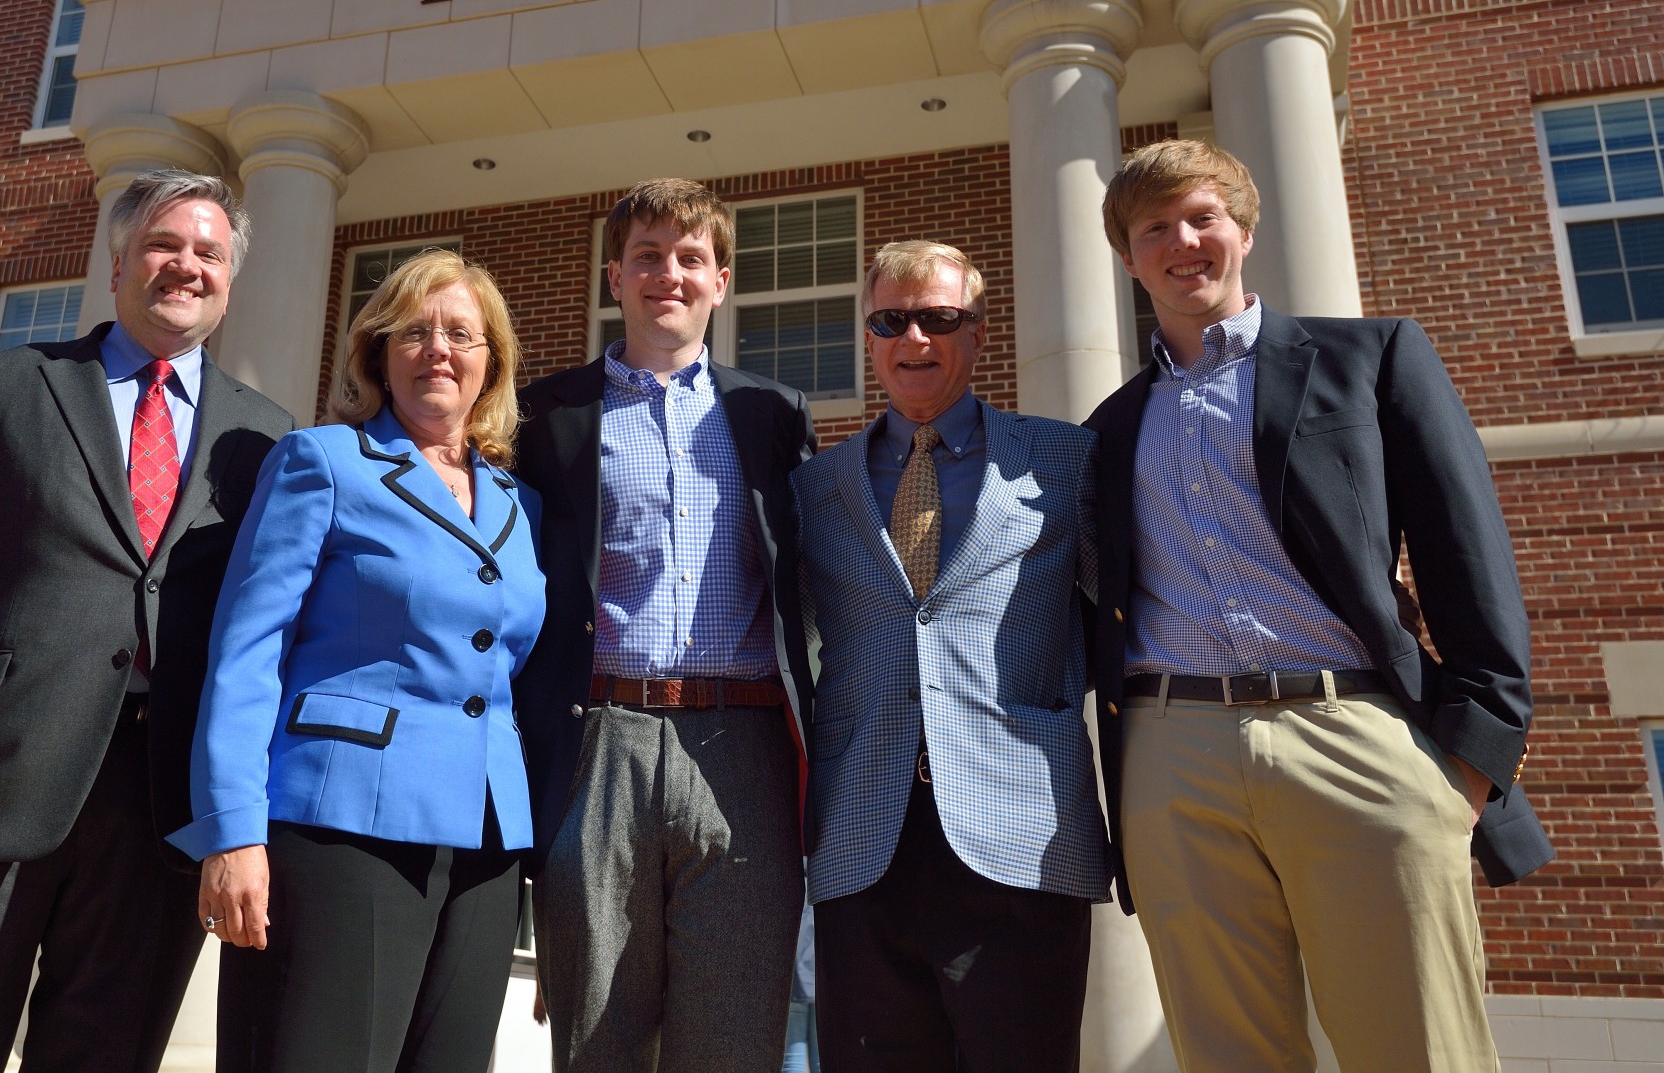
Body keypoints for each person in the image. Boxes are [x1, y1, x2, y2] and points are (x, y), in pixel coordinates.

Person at [1084, 138, 1554, 1072]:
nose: (1183, 241)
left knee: (1418, 1049)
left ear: (1244, 230)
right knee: (1230, 1055)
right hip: (1173, 756)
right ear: (1129, 256)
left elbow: (1467, 555)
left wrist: (1473, 757)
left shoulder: (1369, 358)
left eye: (1203, 217)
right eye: (1154, 228)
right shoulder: (1108, 425)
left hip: (1357, 734)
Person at [0, 169, 296, 1073]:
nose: (185, 265)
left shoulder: (268, 438)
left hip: (162, 808)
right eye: (164, 244)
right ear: (118, 261)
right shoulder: (12, 386)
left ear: (230, 279)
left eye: (209, 252)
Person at [176, 248, 544, 1073]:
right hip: (341, 826)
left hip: (486, 840)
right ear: (378, 351)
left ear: (493, 363)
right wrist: (232, 831)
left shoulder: (524, 504)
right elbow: (247, 650)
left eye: (461, 333)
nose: (438, 349)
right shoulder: (324, 461)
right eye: (414, 331)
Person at [512, 177, 816, 1073]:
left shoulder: (771, 413)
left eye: (691, 258)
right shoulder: (549, 415)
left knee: (734, 1038)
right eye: (647, 256)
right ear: (616, 276)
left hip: (745, 742)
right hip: (600, 735)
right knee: (598, 1036)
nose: (668, 274)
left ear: (722, 280)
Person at [792, 240, 1107, 1073]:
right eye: (891, 320)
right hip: (863, 838)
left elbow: (1126, 623)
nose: (914, 338)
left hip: (1024, 837)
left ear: (977, 330)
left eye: (939, 317)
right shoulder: (816, 488)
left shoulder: (1066, 460)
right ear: (869, 337)